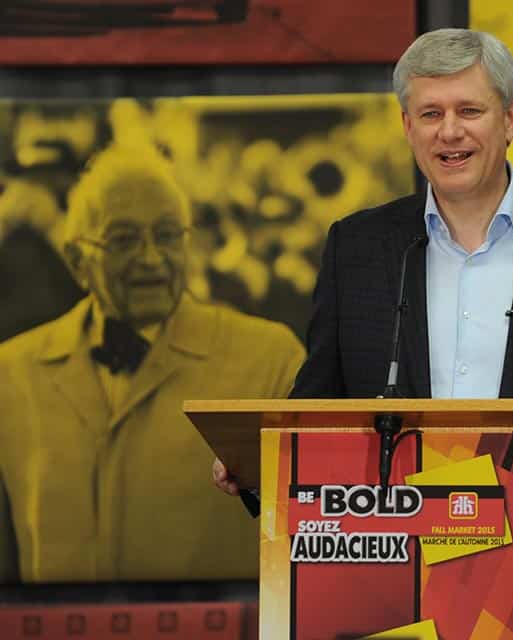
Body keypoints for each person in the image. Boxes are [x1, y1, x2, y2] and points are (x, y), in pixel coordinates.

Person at [214, 27, 513, 494]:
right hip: (396, 528)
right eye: (431, 113)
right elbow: (318, 404)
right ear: (407, 126)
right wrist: (257, 464)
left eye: (469, 111)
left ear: (510, 118)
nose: (450, 131)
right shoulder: (357, 248)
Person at [0, 144, 305, 583]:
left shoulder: (272, 360)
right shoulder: (12, 374)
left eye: (166, 235)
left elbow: (316, 532)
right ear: (77, 261)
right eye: (123, 240)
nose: (150, 258)